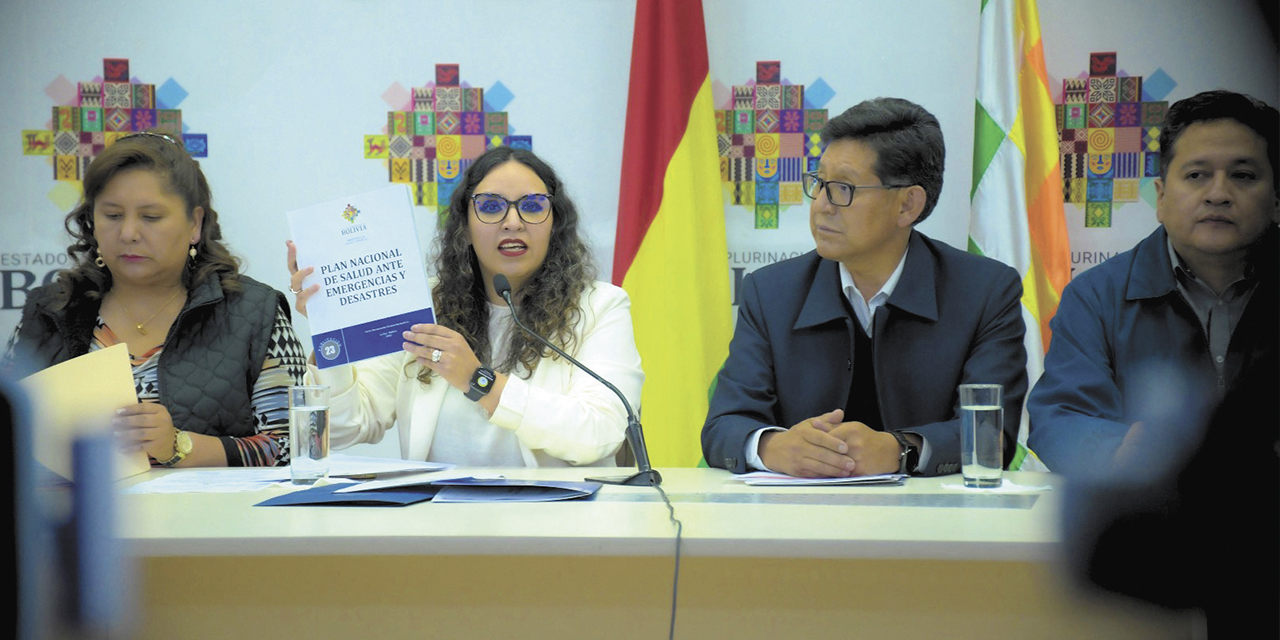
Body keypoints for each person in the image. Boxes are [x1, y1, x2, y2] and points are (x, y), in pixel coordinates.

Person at [702, 97, 1027, 478]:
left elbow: (991, 436)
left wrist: (901, 450)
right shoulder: (771, 292)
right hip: (799, 523)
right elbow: (723, 425)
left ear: (908, 205)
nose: (822, 204)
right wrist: (774, 446)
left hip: (935, 524)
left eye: (843, 188)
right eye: (820, 183)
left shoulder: (985, 292)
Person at [286, 146, 643, 467]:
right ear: (465, 225)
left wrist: (479, 380)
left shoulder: (600, 306)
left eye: (533, 206)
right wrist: (330, 325)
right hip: (439, 529)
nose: (513, 222)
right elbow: (348, 429)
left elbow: (601, 433)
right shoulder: (422, 305)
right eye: (491, 206)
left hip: (557, 529)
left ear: (555, 223)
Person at [3, 131, 307, 467]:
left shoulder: (254, 312)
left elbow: (292, 446)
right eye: (113, 215)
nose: (129, 232)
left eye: (151, 217)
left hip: (218, 518)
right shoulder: (49, 311)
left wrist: (180, 445)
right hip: (80, 514)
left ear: (194, 223)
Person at [1027, 90, 1278, 477]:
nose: (1218, 194)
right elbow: (1061, 418)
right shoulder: (1097, 296)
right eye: (1197, 175)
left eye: (1242, 176)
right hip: (1149, 512)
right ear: (1160, 197)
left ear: (1276, 199)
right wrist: (1119, 450)